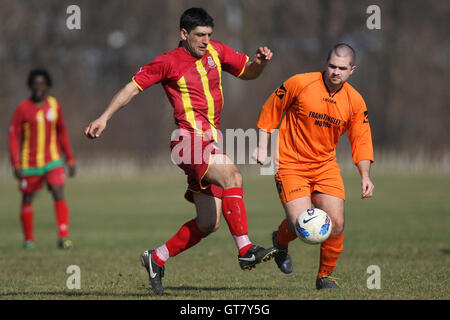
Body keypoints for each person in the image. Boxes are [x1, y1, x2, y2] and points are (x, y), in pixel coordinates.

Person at [85, 7, 276, 295]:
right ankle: (246, 249)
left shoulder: (217, 51)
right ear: (184, 34)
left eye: (209, 35)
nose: (205, 41)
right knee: (233, 177)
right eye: (200, 35)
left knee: (208, 222)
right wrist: (105, 117)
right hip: (187, 141)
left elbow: (248, 73)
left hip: (210, 142)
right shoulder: (168, 62)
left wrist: (260, 63)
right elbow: (132, 88)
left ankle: (156, 257)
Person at [253, 43, 375, 290]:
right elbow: (270, 110)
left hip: (325, 166)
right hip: (291, 164)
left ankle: (324, 277)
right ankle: (280, 241)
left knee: (337, 223)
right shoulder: (300, 83)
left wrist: (365, 176)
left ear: (352, 70)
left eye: (342, 68)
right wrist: (262, 146)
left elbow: (361, 140)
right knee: (302, 225)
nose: (335, 72)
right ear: (325, 63)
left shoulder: (355, 101)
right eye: (332, 66)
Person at [8, 68, 76, 249]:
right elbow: (13, 136)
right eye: (35, 84)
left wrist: (69, 158)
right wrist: (15, 163)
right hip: (29, 163)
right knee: (27, 198)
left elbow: (62, 132)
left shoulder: (54, 105)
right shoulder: (22, 109)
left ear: (47, 86)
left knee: (57, 190)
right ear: (30, 85)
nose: (39, 87)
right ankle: (29, 239)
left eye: (42, 84)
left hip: (52, 160)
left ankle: (63, 237)